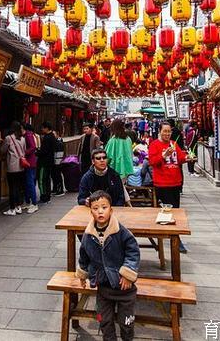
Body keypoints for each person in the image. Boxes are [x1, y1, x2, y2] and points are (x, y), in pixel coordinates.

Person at [77, 190, 140, 341]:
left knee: (126, 322)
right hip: (103, 286)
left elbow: (133, 251)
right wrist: (83, 274)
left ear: (111, 210)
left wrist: (127, 274)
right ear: (90, 211)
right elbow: (84, 255)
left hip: (124, 287)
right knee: (104, 320)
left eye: (104, 207)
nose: (100, 211)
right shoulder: (88, 234)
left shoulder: (121, 231)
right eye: (95, 208)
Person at [148, 122, 188, 253]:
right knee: (166, 212)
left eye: (169, 131)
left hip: (175, 182)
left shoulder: (174, 144)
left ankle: (174, 237)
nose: (167, 134)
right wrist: (164, 155)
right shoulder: (154, 145)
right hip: (162, 183)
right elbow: (152, 162)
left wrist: (188, 158)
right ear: (159, 131)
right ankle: (169, 236)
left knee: (175, 211)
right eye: (164, 131)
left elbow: (180, 158)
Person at [1, 121, 26, 216]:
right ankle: (18, 207)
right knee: (18, 187)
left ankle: (12, 208)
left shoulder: (8, 138)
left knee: (12, 188)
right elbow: (23, 151)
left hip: (12, 166)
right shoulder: (22, 139)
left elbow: (3, 150)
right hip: (21, 166)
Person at [105, 120, 135, 184]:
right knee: (121, 187)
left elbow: (108, 155)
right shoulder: (128, 139)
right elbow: (130, 153)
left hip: (114, 168)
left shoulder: (113, 140)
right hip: (126, 168)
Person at [38, 121, 57, 204]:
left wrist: (37, 152)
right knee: (48, 178)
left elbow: (44, 151)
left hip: (44, 161)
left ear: (46, 128)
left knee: (43, 179)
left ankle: (44, 196)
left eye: (42, 128)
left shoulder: (47, 137)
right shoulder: (53, 136)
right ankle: (47, 195)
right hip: (50, 161)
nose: (42, 129)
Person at [23, 124, 39, 214]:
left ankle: (34, 203)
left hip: (29, 162)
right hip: (29, 162)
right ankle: (28, 202)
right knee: (28, 183)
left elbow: (33, 147)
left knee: (30, 183)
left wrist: (24, 153)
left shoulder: (28, 135)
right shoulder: (29, 135)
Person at [52, 130, 65, 197]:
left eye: (54, 134)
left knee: (58, 176)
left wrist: (58, 162)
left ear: (57, 135)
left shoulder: (59, 143)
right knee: (54, 176)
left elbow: (60, 154)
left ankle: (60, 190)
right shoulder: (55, 142)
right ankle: (55, 189)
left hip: (58, 162)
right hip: (55, 162)